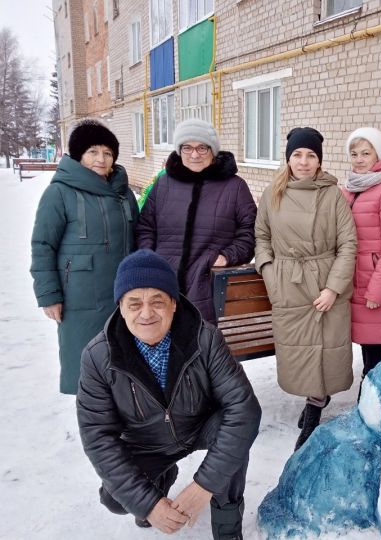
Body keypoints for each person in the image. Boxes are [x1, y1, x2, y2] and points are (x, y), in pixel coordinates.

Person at [76, 249, 261, 539]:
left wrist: (204, 486)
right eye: (134, 303)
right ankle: (161, 479)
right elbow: (98, 437)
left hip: (201, 427)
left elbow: (244, 409)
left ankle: (227, 527)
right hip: (146, 442)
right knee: (115, 500)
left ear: (174, 304)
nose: (146, 313)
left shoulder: (205, 338)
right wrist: (147, 503)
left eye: (157, 302)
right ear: (120, 308)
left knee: (234, 439)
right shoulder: (98, 357)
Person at [255, 127, 357, 450]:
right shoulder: (273, 193)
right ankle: (312, 398)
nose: (303, 161)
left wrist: (333, 288)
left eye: (310, 155)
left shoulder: (332, 195)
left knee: (324, 350)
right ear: (288, 158)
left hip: (324, 281)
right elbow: (262, 237)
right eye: (297, 155)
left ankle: (315, 408)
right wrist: (270, 273)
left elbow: (348, 244)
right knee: (299, 351)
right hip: (288, 283)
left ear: (319, 161)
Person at [30, 119, 139, 395]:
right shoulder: (59, 193)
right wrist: (49, 295)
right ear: (79, 155)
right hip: (80, 297)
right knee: (87, 366)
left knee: (126, 364)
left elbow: (138, 236)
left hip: (123, 293)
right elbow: (43, 245)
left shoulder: (123, 193)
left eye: (107, 153)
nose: (101, 159)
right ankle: (95, 426)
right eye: (93, 152)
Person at [135, 118, 257, 323]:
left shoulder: (235, 187)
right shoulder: (164, 184)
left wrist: (226, 257)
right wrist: (150, 256)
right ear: (178, 150)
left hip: (207, 286)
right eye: (187, 148)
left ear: (213, 151)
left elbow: (250, 231)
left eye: (202, 148)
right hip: (163, 284)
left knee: (203, 348)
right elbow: (145, 227)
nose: (194, 154)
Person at [341, 127, 381, 382]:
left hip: (373, 284)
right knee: (363, 350)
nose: (359, 159)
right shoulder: (351, 188)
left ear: (378, 155)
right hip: (351, 282)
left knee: (374, 352)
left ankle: (370, 404)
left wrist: (377, 290)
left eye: (365, 153)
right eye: (354, 153)